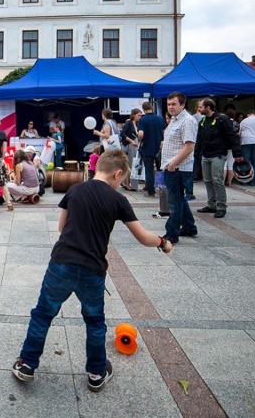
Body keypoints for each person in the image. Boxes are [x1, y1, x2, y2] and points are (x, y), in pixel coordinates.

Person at [12, 150, 172, 392]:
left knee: (43, 315)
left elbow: (61, 227)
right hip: (93, 269)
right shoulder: (118, 200)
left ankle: (27, 364)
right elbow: (142, 237)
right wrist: (163, 242)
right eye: (121, 179)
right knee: (95, 322)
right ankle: (96, 372)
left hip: (62, 263)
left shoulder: (75, 190)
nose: (120, 183)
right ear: (118, 173)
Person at [194, 98, 243, 219]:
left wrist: (237, 153)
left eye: (200, 107)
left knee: (217, 180)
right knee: (207, 181)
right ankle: (212, 205)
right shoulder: (204, 120)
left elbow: (232, 136)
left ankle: (221, 207)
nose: (198, 109)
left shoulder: (222, 119)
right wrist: (197, 153)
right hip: (205, 155)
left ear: (208, 107)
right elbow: (199, 138)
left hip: (218, 154)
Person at [161, 92, 198, 243]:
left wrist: (173, 164)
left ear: (182, 105)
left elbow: (189, 147)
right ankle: (189, 227)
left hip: (178, 168)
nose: (170, 107)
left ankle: (171, 234)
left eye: (174, 104)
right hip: (172, 166)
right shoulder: (174, 120)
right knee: (180, 200)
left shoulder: (187, 121)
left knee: (174, 202)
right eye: (169, 104)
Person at [137, 101, 165, 197]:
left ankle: (151, 192)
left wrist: (139, 138)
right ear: (152, 108)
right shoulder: (160, 119)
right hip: (160, 149)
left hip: (147, 148)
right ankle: (162, 191)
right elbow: (164, 132)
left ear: (144, 110)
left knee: (149, 170)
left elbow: (141, 134)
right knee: (160, 170)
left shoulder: (143, 120)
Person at [120, 108, 142, 191]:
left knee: (131, 164)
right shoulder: (129, 122)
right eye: (138, 115)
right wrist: (131, 141)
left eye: (140, 115)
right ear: (134, 115)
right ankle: (127, 183)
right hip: (129, 146)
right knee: (130, 165)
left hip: (134, 145)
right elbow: (122, 134)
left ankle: (127, 183)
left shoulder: (136, 124)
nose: (140, 117)